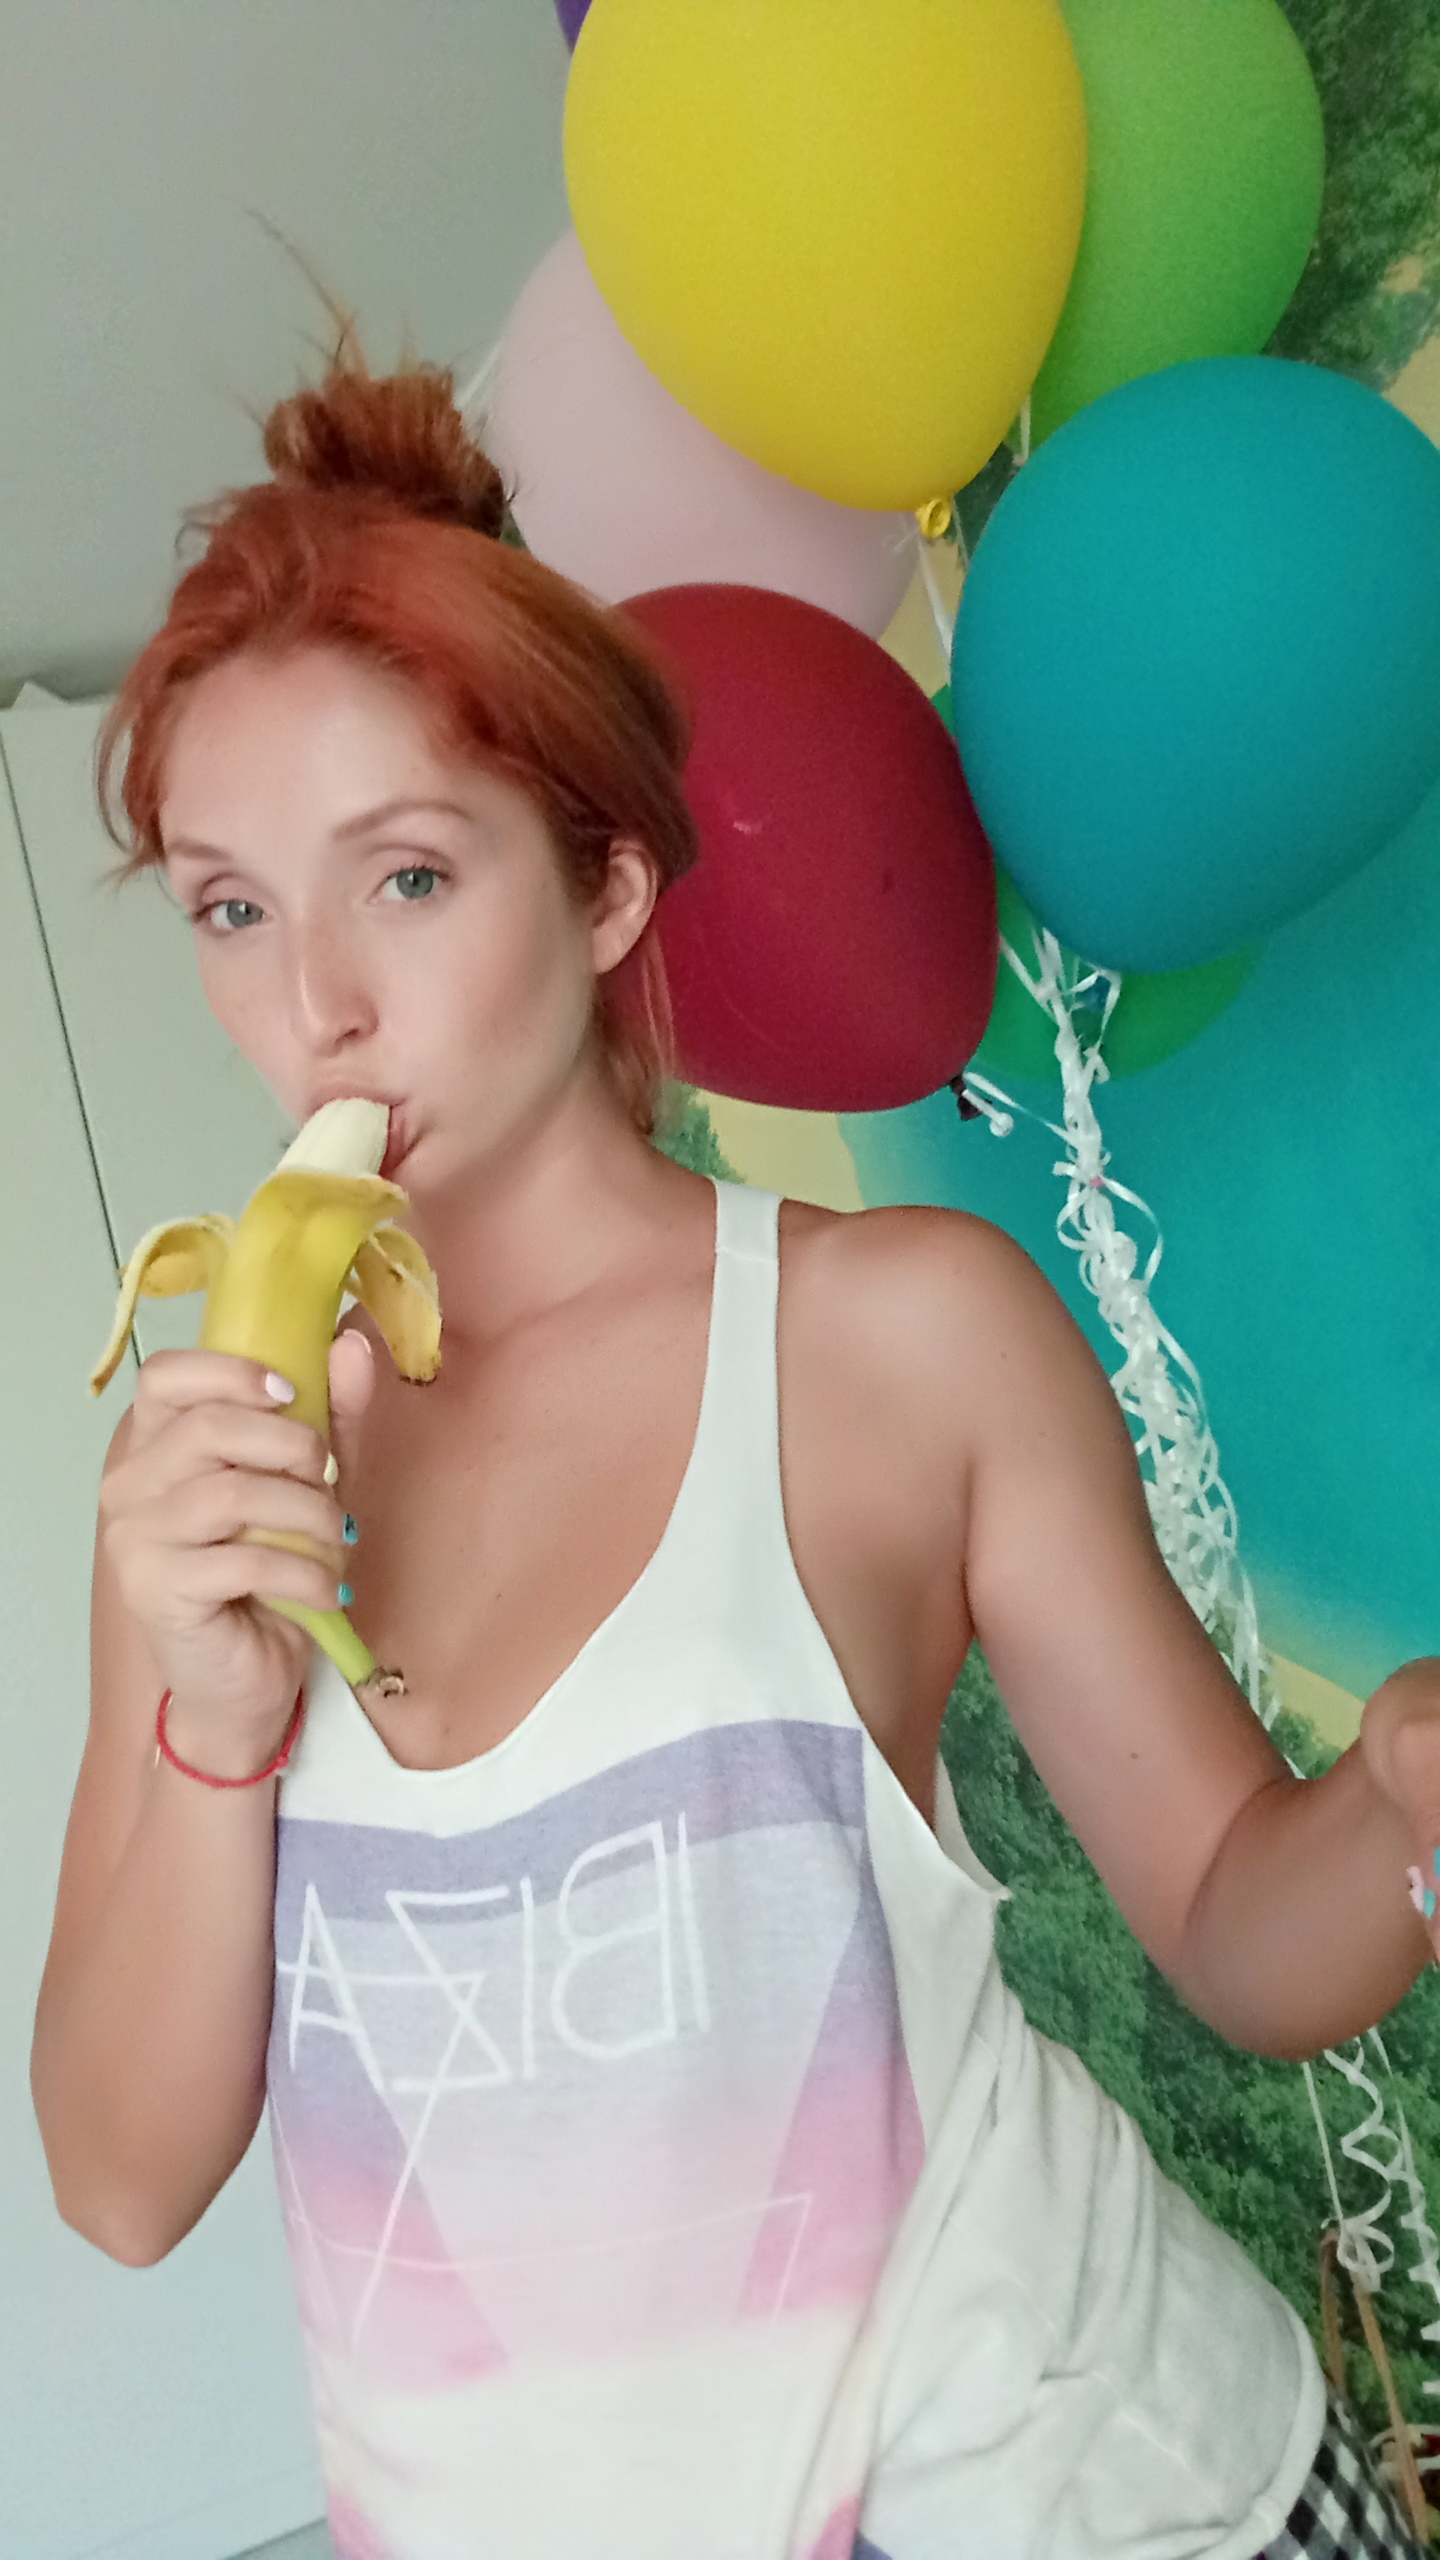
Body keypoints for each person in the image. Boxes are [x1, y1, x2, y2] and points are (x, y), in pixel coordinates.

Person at [29, 341, 1440, 2560]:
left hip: (1096, 2504)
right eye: (231, 904)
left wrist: (1401, 1808)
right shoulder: (223, 1462)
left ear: (605, 888)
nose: (315, 1003)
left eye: (408, 878)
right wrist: (213, 1722)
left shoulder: (894, 1337)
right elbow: (118, 2181)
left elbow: (1241, 1930)